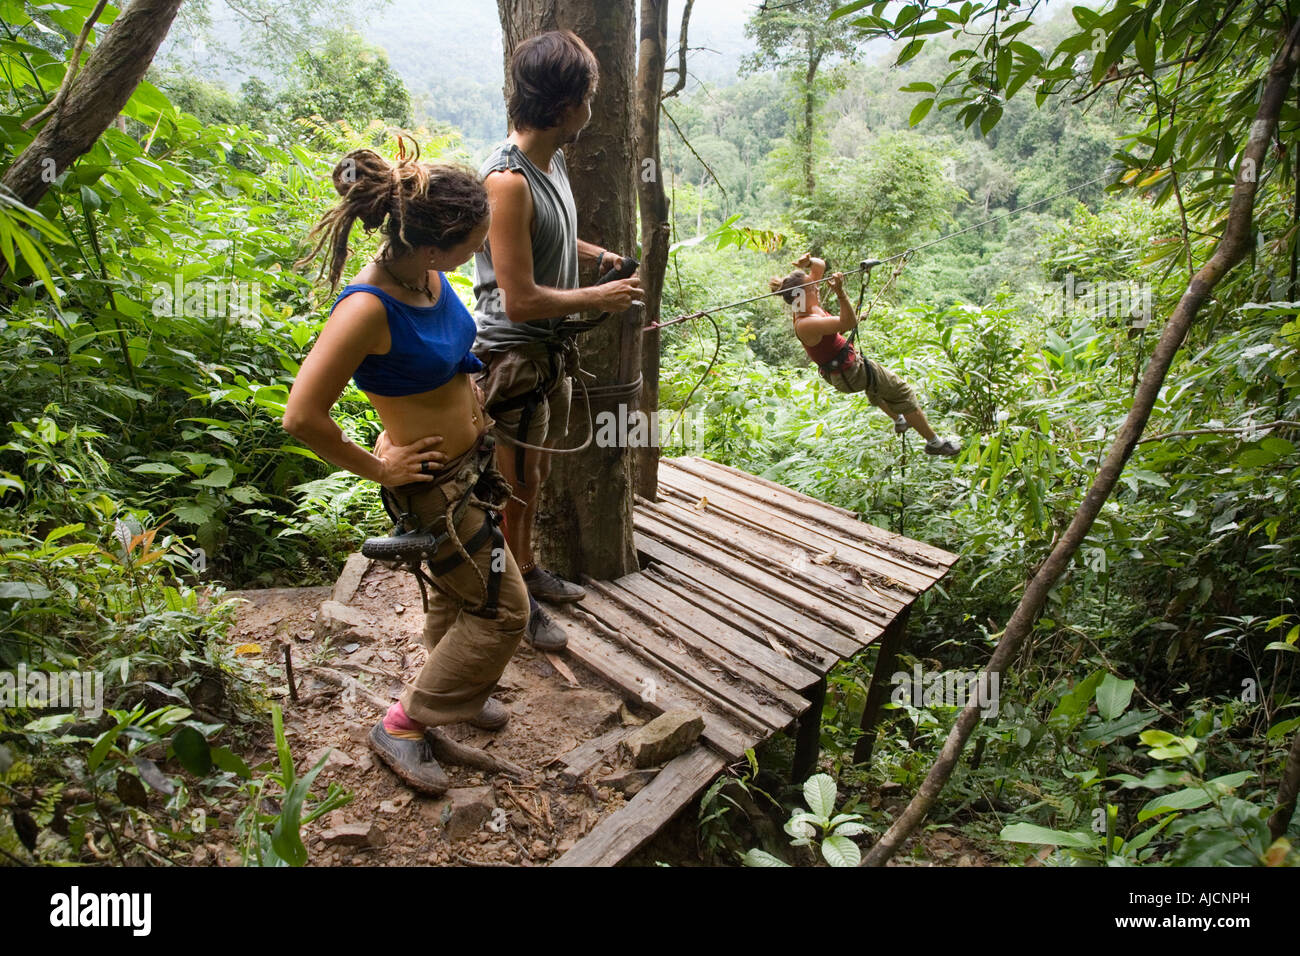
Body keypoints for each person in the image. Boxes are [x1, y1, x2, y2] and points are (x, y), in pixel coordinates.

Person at [283, 144, 530, 796]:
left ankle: (458, 691)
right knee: (505, 611)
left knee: (459, 593)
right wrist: (379, 469)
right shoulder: (366, 309)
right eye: (470, 245)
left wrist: (472, 387)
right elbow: (302, 416)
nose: (475, 256)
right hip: (432, 489)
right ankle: (405, 722)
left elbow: (446, 353)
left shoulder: (429, 279)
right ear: (430, 248)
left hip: (470, 469)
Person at [473, 29, 643, 650]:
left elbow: (545, 237)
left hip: (549, 354)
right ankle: (510, 601)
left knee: (534, 478)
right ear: (568, 105)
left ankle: (527, 570)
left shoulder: (551, 162)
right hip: (513, 356)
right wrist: (603, 297)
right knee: (509, 485)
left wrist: (597, 256)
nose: (591, 111)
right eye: (589, 98)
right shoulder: (505, 181)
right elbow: (518, 296)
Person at [771, 253, 961, 457]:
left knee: (877, 385)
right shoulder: (806, 323)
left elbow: (820, 266)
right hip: (850, 373)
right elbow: (849, 323)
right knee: (902, 391)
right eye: (811, 287)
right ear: (801, 294)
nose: (817, 287)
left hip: (847, 370)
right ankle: (934, 443)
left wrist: (808, 263)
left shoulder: (805, 303)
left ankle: (899, 420)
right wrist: (841, 294)